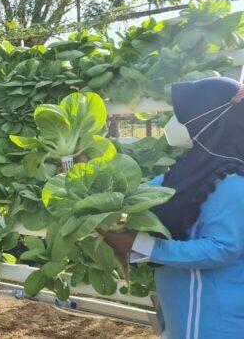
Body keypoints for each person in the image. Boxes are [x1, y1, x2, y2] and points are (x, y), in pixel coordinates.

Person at [102, 77, 244, 338]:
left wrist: (140, 245)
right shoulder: (192, 169)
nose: (177, 125)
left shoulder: (233, 181)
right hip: (185, 311)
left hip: (213, 320)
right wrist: (81, 163)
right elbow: (139, 194)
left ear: (208, 120)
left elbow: (223, 248)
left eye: (185, 117)